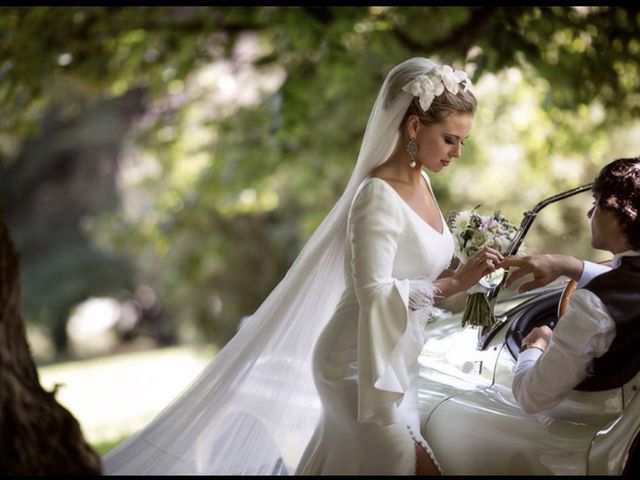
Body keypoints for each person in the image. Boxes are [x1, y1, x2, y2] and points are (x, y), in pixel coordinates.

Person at [103, 58, 502, 476]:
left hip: (398, 360)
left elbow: (413, 265)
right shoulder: (377, 195)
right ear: (414, 127)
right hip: (353, 364)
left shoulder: (423, 183)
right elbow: (372, 292)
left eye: (462, 142)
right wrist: (455, 283)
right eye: (450, 139)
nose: (457, 152)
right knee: (405, 466)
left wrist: (474, 269)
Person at [500, 157, 640, 414]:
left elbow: (531, 397)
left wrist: (535, 346)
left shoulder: (593, 307)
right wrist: (569, 265)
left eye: (597, 204)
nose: (589, 213)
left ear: (617, 213)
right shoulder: (617, 290)